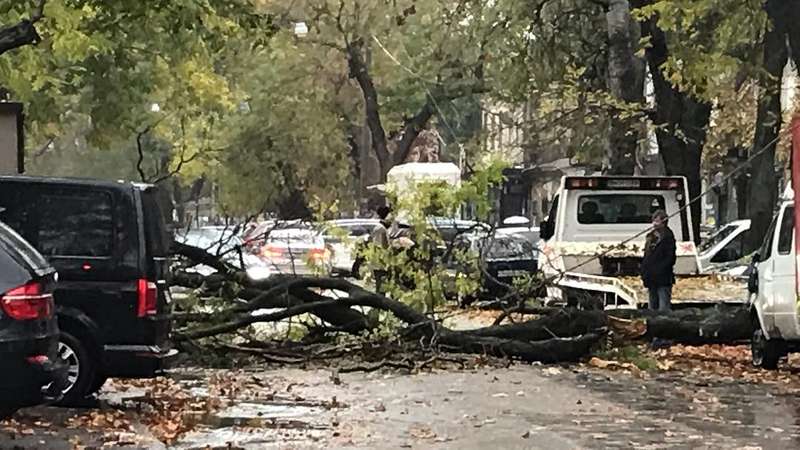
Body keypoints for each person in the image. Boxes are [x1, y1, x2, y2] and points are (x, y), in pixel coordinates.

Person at [641, 209, 676, 311]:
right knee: (652, 307)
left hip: (663, 278)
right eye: (654, 220)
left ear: (663, 222)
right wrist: (644, 271)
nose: (654, 223)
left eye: (657, 221)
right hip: (651, 277)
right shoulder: (650, 236)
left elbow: (670, 258)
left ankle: (664, 326)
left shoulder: (668, 237)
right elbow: (646, 256)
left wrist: (659, 269)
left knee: (663, 308)